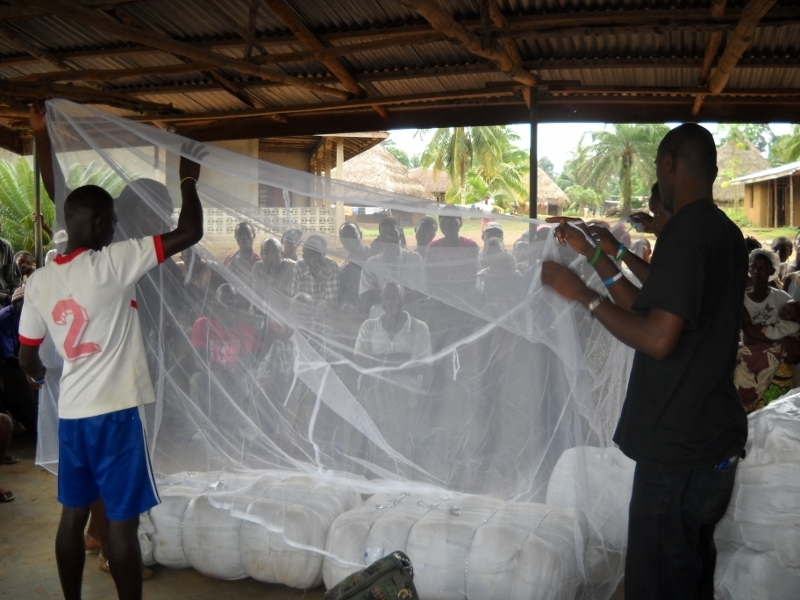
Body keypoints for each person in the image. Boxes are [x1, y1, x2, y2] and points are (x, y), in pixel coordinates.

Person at [542, 123, 747, 600]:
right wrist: (597, 254)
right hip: (711, 440)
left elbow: (657, 338)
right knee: (688, 574)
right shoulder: (725, 232)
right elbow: (651, 303)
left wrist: (582, 296)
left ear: (669, 164)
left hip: (678, 450)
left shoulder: (686, 231)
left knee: (656, 583)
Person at [17, 141, 205, 600]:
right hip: (117, 413)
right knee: (122, 526)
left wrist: (39, 379)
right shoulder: (116, 263)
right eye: (114, 221)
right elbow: (190, 231)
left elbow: (27, 356)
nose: (119, 228)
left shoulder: (39, 280)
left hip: (73, 416)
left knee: (71, 517)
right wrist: (188, 179)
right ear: (99, 222)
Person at [359, 217, 424, 314]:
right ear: (380, 239)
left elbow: (419, 292)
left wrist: (384, 294)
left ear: (400, 235)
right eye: (385, 235)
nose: (389, 239)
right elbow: (366, 296)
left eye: (393, 234)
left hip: (410, 315)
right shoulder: (371, 264)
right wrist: (401, 293)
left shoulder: (413, 259)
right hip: (379, 316)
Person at [425, 215, 479, 302]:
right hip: (440, 295)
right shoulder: (433, 247)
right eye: (443, 223)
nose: (447, 226)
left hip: (466, 294)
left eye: (452, 223)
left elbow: (471, 278)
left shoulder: (471, 246)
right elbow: (430, 278)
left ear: (461, 223)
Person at [290, 234, 339, 311]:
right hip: (303, 312)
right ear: (304, 257)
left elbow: (330, 302)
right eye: (309, 256)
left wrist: (313, 311)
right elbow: (296, 299)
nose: (314, 260)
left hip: (325, 314)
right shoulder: (299, 267)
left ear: (324, 254)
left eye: (317, 255)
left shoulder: (330, 266)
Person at [252, 237, 295, 303]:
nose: (271, 256)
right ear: (261, 255)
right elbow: (256, 296)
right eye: (267, 252)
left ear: (282, 254)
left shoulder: (292, 268)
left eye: (275, 252)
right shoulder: (258, 268)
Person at [337, 222, 368, 311]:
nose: (350, 240)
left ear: (360, 235)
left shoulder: (376, 258)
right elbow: (342, 298)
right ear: (341, 240)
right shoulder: (343, 270)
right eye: (345, 237)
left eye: (353, 235)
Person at [0, 222, 22, 306]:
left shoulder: (6, 246)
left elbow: (16, 278)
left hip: (9, 296)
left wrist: (15, 294)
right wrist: (5, 297)